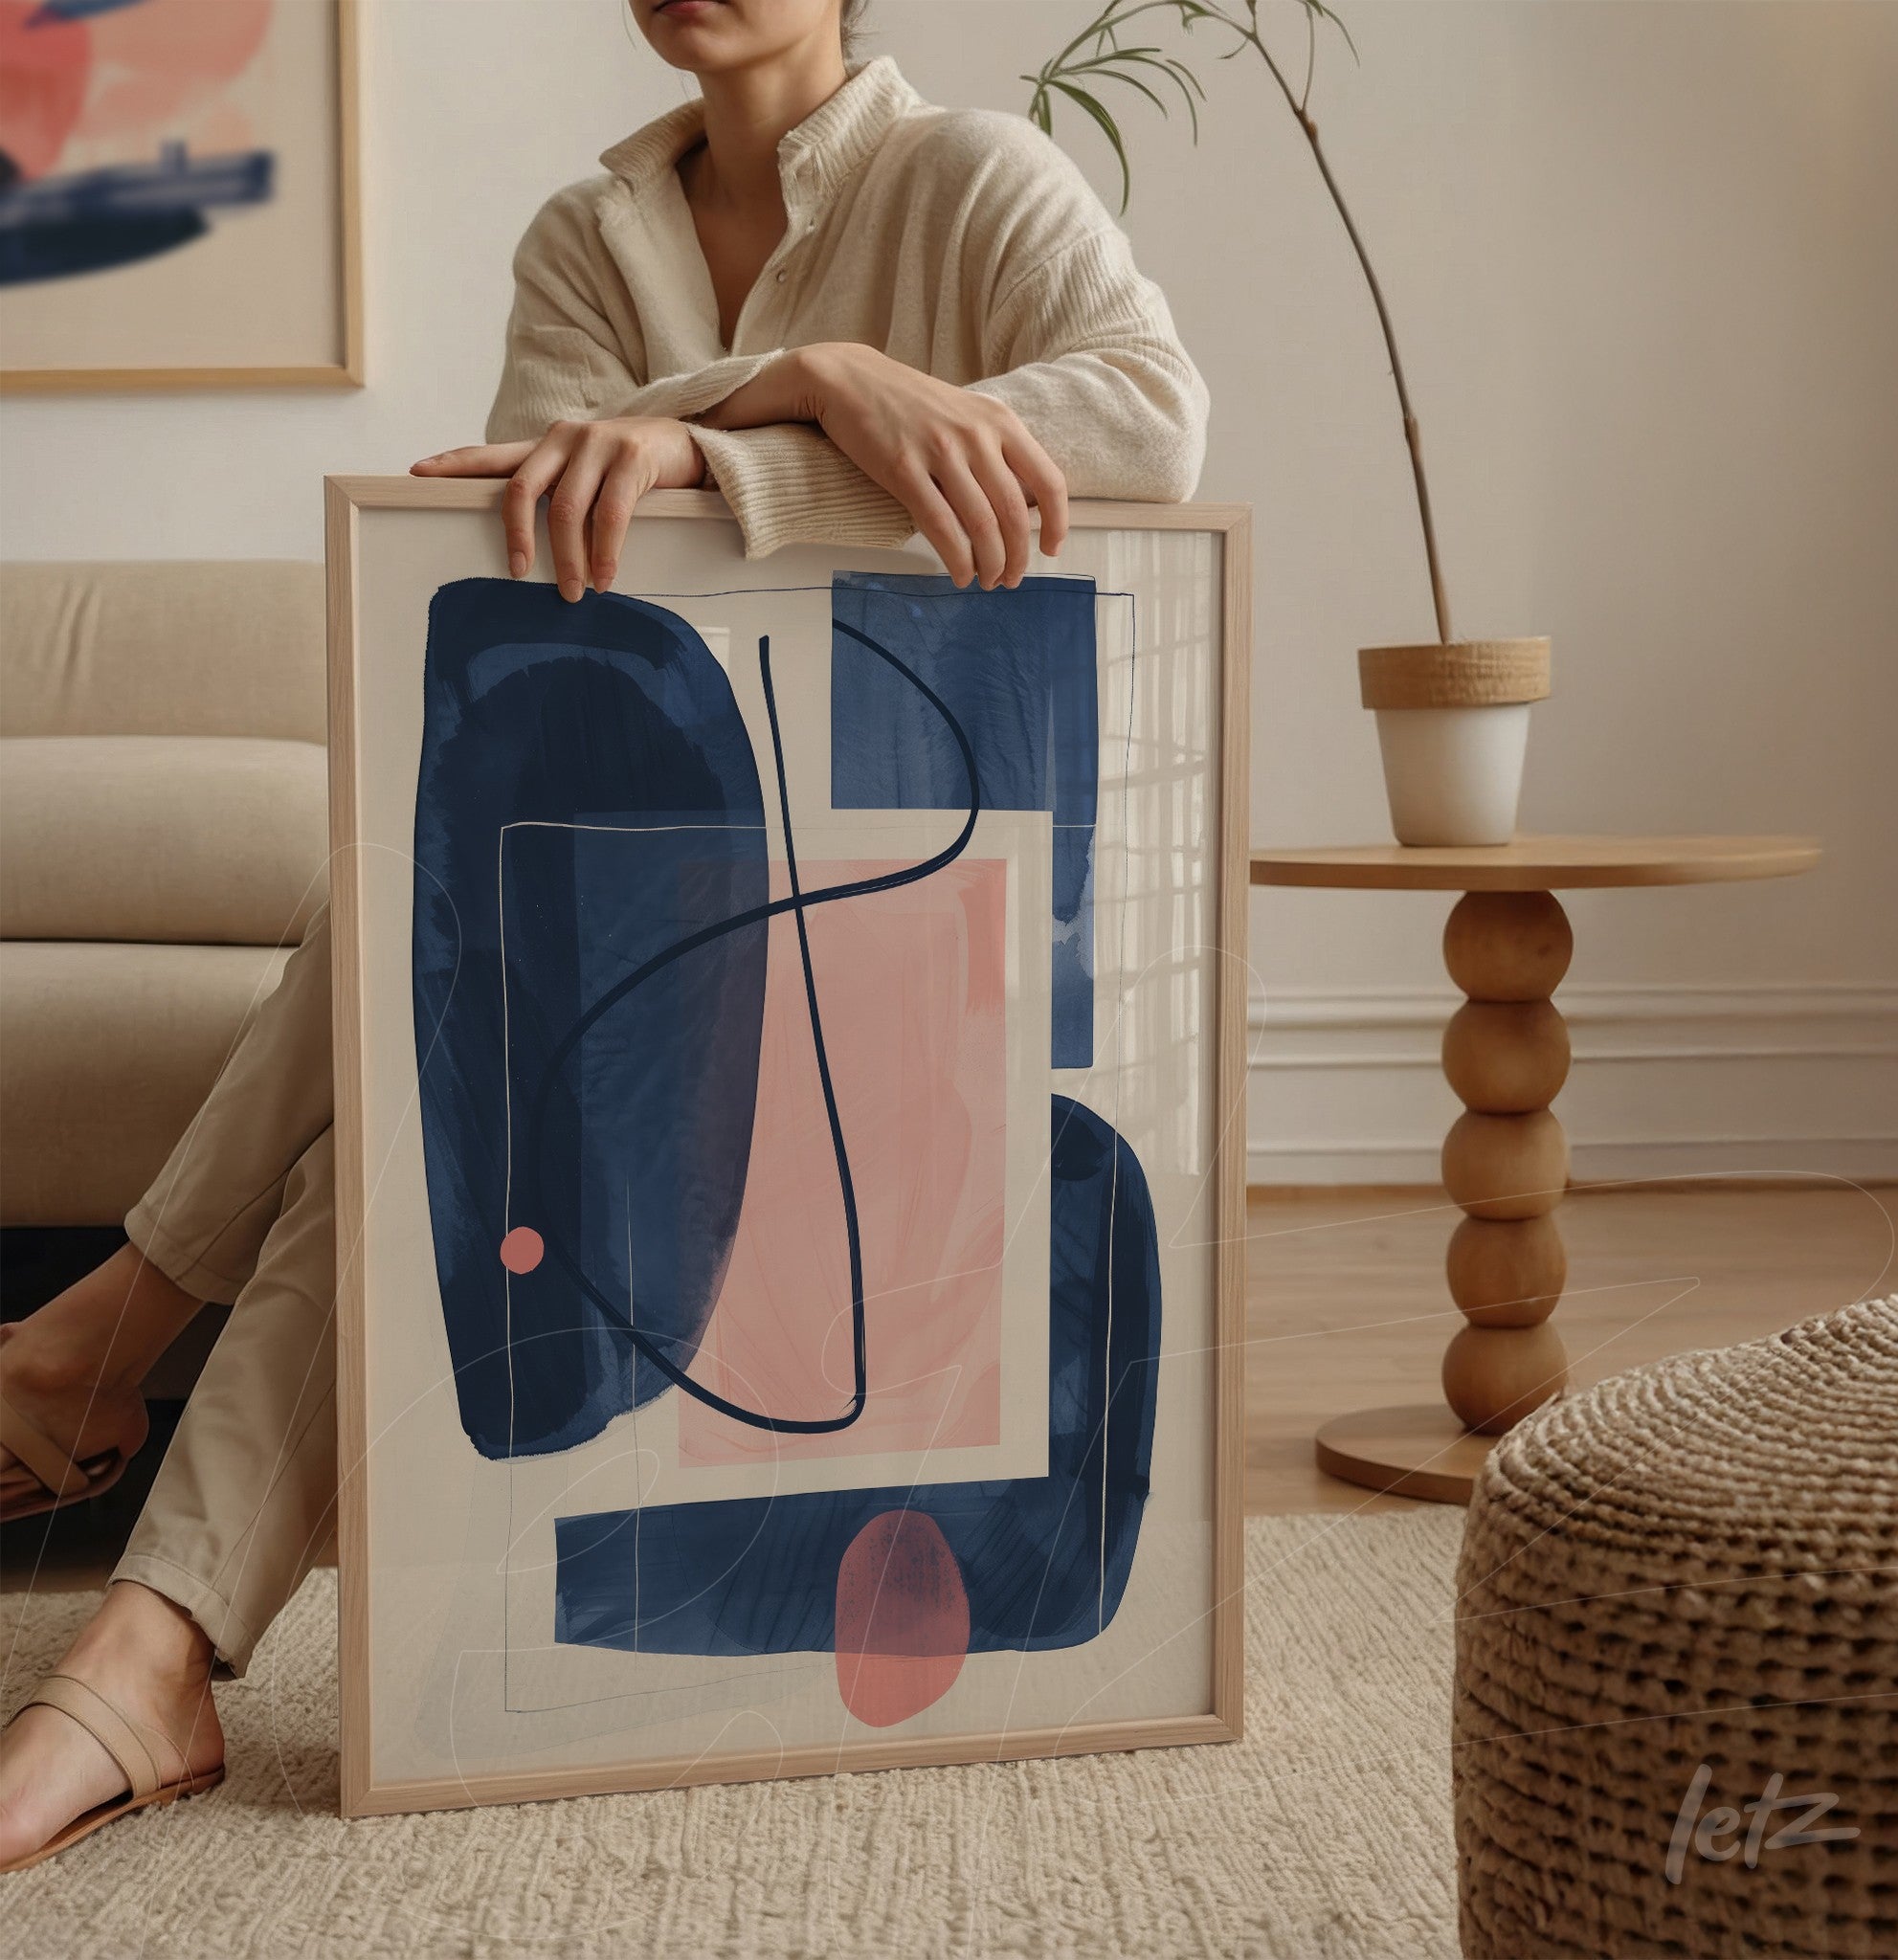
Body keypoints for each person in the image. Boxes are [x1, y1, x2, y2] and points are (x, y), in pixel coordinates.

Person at [0, 0, 1206, 1868]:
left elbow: (1147, 418)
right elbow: (515, 530)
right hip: (622, 918)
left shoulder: (971, 176)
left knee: (434, 958)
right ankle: (152, 1643)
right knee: (444, 986)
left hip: (905, 889)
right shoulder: (588, 234)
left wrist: (754, 425)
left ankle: (116, 1360)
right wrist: (813, 379)